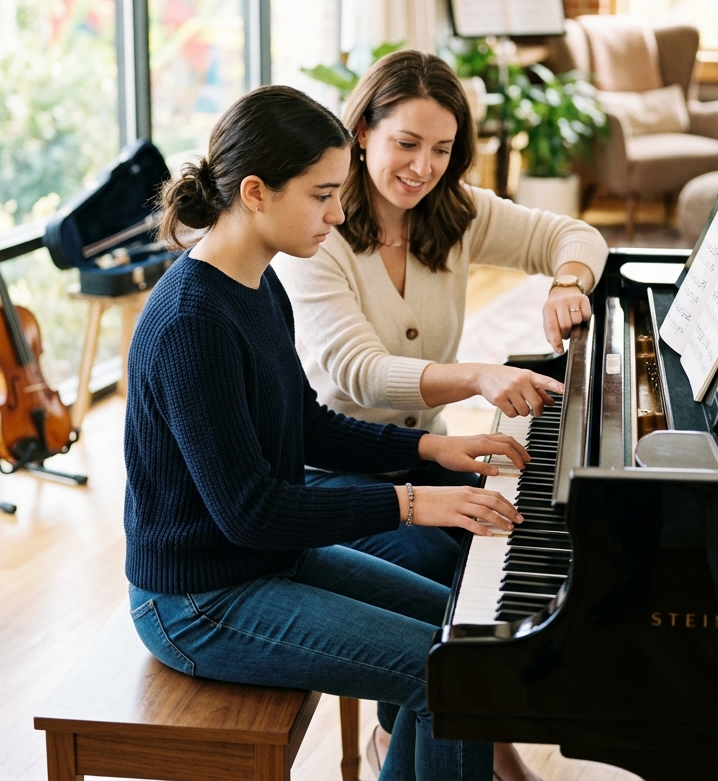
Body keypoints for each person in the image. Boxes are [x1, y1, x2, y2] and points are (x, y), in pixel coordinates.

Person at [123, 85, 532, 781]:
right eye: (321, 196)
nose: (339, 215)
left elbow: (305, 424)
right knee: (453, 678)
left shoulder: (257, 283)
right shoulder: (193, 323)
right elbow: (250, 510)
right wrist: (410, 501)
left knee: (467, 641)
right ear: (255, 192)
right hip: (198, 601)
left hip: (263, 562)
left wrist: (431, 449)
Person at [273, 49, 609, 587]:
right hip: (333, 474)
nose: (423, 168)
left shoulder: (456, 211)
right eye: (406, 144)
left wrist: (566, 283)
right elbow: (362, 372)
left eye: (442, 150)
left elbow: (574, 236)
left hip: (426, 453)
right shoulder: (317, 230)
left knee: (525, 531)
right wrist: (478, 376)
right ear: (361, 131)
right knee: (441, 562)